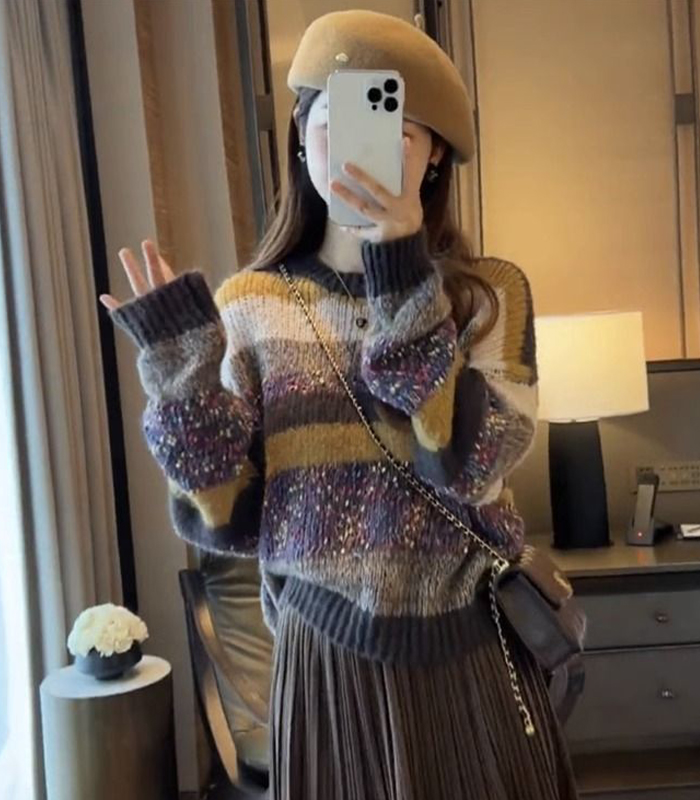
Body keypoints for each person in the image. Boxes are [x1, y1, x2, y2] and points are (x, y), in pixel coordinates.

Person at [100, 9, 579, 800]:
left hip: (470, 649)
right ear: (300, 135)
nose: (361, 148)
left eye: (398, 129)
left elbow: (472, 466)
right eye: (336, 122)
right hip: (325, 664)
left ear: (434, 156)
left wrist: (400, 271)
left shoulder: (490, 294)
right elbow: (226, 515)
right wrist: (182, 378)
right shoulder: (252, 304)